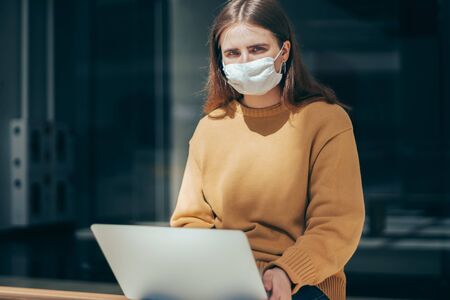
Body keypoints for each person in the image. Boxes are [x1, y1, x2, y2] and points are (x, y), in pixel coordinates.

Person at [169, 0, 365, 299]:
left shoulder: (325, 120)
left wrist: (285, 272)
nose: (245, 61)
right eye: (232, 53)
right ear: (219, 61)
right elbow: (189, 220)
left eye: (257, 49)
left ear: (284, 51)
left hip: (301, 283)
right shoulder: (211, 127)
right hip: (225, 280)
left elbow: (337, 224)